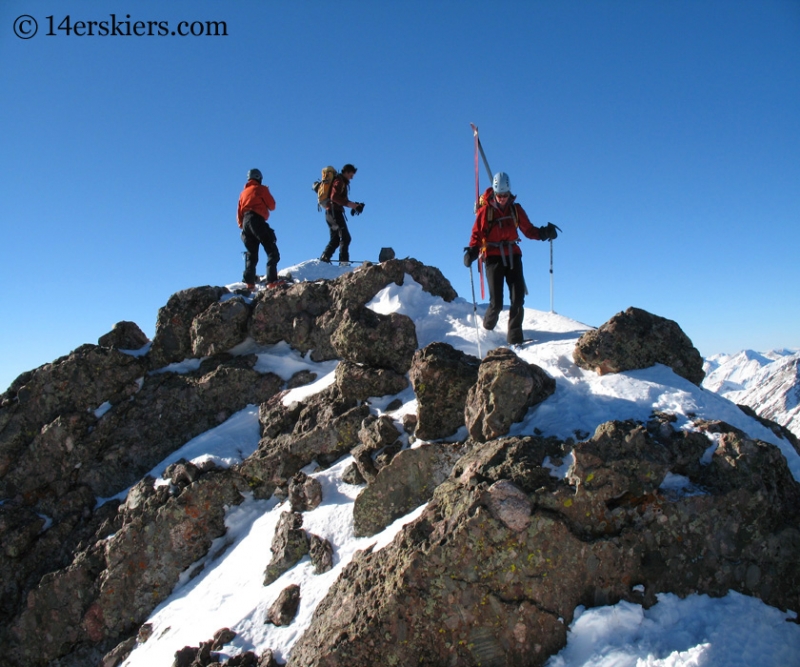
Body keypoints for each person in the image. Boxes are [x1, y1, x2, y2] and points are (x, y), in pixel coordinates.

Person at [464, 171, 558, 344]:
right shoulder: (486, 212)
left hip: (513, 255)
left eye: (505, 195)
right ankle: (488, 329)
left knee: (518, 299)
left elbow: (529, 230)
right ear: (494, 192)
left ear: (509, 193)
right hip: (493, 258)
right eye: (499, 195)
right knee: (497, 303)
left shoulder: (516, 209)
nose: (502, 198)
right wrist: (472, 252)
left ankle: (515, 339)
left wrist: (544, 233)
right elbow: (476, 235)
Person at [237, 168, 279, 288]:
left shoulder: (243, 193)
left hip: (245, 222)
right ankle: (271, 281)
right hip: (257, 220)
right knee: (271, 250)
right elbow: (272, 206)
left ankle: (249, 283)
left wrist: (243, 226)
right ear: (259, 178)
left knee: (252, 253)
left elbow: (239, 213)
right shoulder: (261, 189)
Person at [319, 164, 364, 264]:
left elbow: (339, 199)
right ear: (347, 172)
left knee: (335, 239)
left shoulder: (341, 181)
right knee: (345, 237)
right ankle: (343, 262)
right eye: (351, 175)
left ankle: (324, 259)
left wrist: (354, 205)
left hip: (330, 212)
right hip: (334, 212)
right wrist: (350, 204)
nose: (351, 178)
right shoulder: (339, 181)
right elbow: (334, 197)